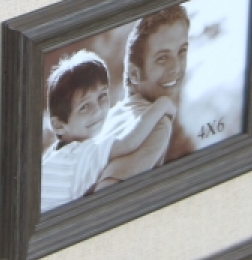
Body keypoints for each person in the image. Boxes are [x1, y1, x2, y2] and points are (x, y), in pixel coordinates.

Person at [39, 51, 174, 213]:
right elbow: (128, 143)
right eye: (84, 107)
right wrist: (162, 104)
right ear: (59, 126)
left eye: (102, 96)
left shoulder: (54, 155)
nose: (97, 110)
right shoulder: (79, 155)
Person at [110, 4, 196, 166]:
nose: (176, 68)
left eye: (182, 51)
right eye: (162, 58)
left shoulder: (178, 137)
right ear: (134, 74)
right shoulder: (154, 129)